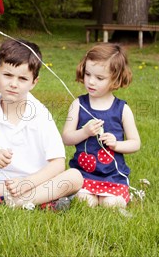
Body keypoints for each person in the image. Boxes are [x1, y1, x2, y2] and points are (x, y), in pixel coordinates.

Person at [0, 39, 83, 211]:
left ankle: (2, 202)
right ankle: (40, 201)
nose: (13, 84)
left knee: (74, 177)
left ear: (34, 82)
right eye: (7, 75)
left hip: (36, 180)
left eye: (22, 78)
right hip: (1, 182)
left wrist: (27, 183)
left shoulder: (40, 114)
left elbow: (58, 163)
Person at [62, 43, 141, 208]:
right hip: (83, 174)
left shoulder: (122, 109)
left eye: (99, 78)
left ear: (116, 79)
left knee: (112, 204)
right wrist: (84, 132)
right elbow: (66, 138)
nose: (91, 81)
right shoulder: (78, 104)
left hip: (113, 176)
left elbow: (135, 143)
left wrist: (116, 144)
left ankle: (113, 197)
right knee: (85, 202)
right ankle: (85, 196)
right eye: (88, 74)